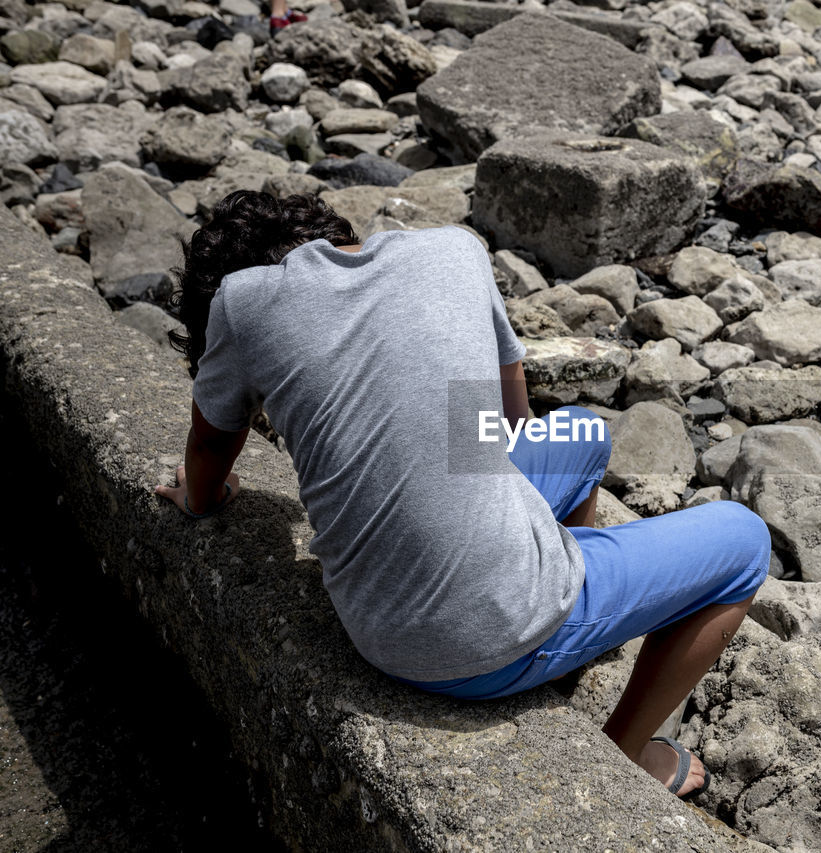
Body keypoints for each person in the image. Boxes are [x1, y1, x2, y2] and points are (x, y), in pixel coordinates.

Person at [154, 190, 772, 799]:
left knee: (581, 438)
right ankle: (625, 752)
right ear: (339, 234)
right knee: (745, 541)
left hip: (377, 633)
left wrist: (200, 502)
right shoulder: (453, 248)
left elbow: (209, 452)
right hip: (480, 645)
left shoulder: (240, 302)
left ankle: (565, 631)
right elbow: (512, 416)